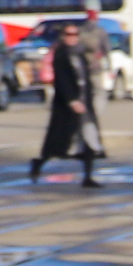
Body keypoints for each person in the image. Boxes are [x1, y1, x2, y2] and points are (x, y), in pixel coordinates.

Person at [30, 21, 104, 187]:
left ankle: (88, 177)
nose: (73, 38)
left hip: (84, 103)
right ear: (63, 37)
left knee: (89, 139)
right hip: (67, 106)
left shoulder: (79, 53)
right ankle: (38, 163)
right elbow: (61, 80)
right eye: (69, 35)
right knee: (59, 143)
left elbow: (85, 77)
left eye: (75, 34)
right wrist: (72, 100)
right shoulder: (61, 54)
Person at [74, 1, 114, 99]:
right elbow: (106, 49)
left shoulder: (80, 30)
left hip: (81, 66)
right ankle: (94, 111)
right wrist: (109, 65)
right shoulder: (100, 31)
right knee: (98, 91)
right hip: (95, 66)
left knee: (83, 91)